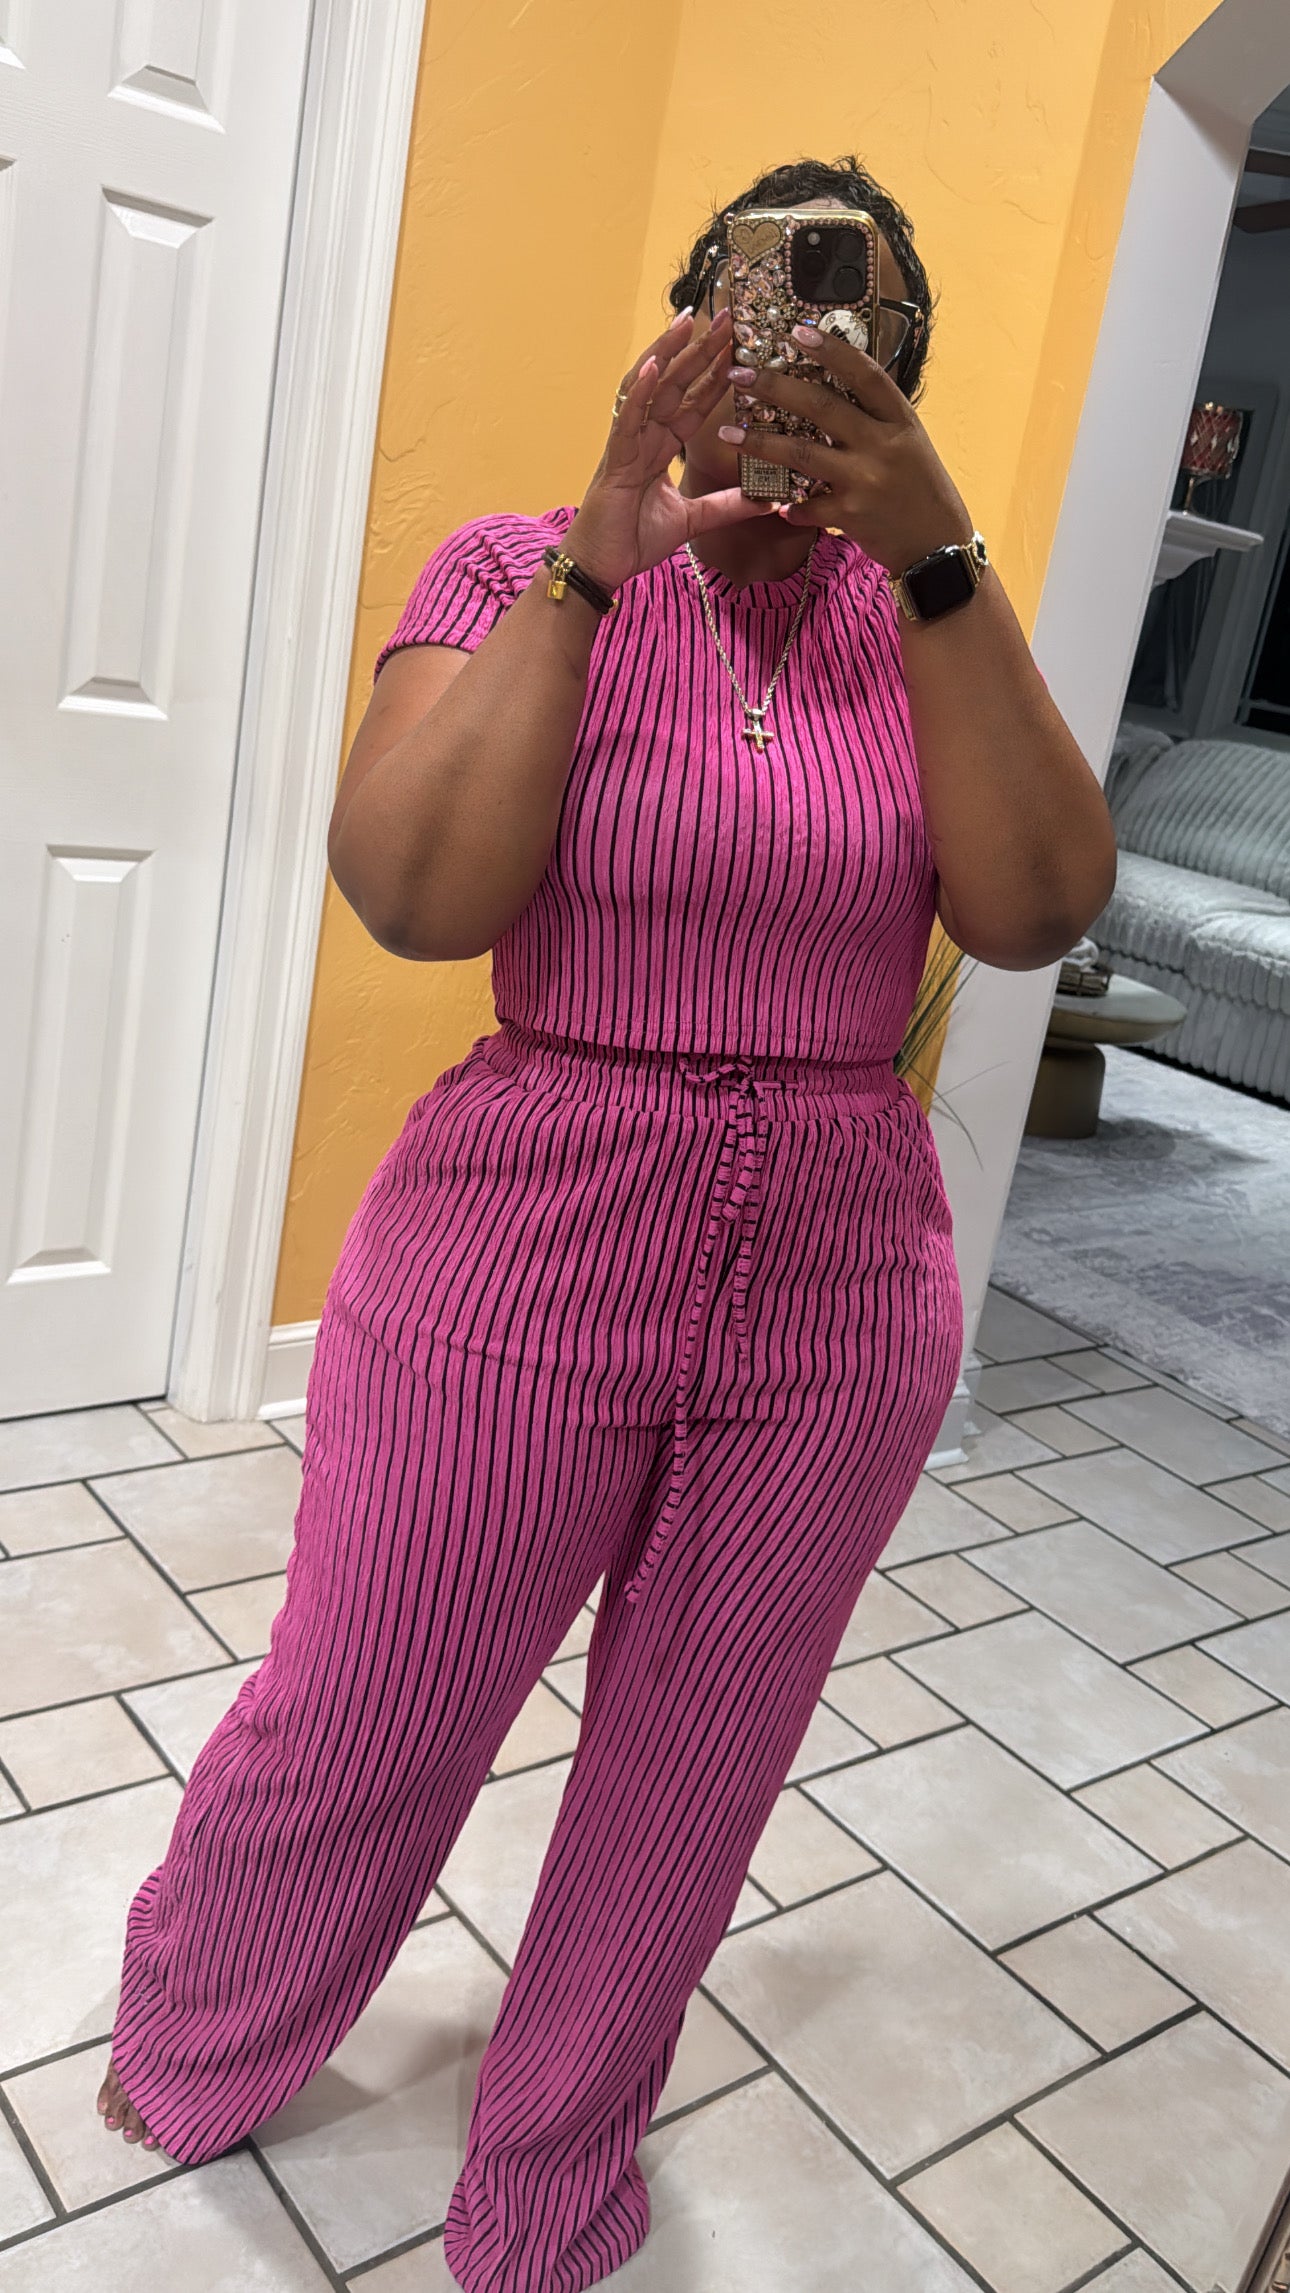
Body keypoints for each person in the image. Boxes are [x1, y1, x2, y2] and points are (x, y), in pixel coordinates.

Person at [97, 156, 1116, 2290]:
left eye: (852, 341)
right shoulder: (512, 563)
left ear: (903, 381)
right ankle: (207, 2026)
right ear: (682, 332)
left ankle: (552, 2156)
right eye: (755, 319)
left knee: (691, 1769)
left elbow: (1034, 908)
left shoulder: (928, 618)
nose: (789, 371)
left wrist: (941, 559)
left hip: (836, 1280)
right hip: (521, 1236)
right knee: (370, 1702)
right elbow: (414, 890)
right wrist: (594, 550)